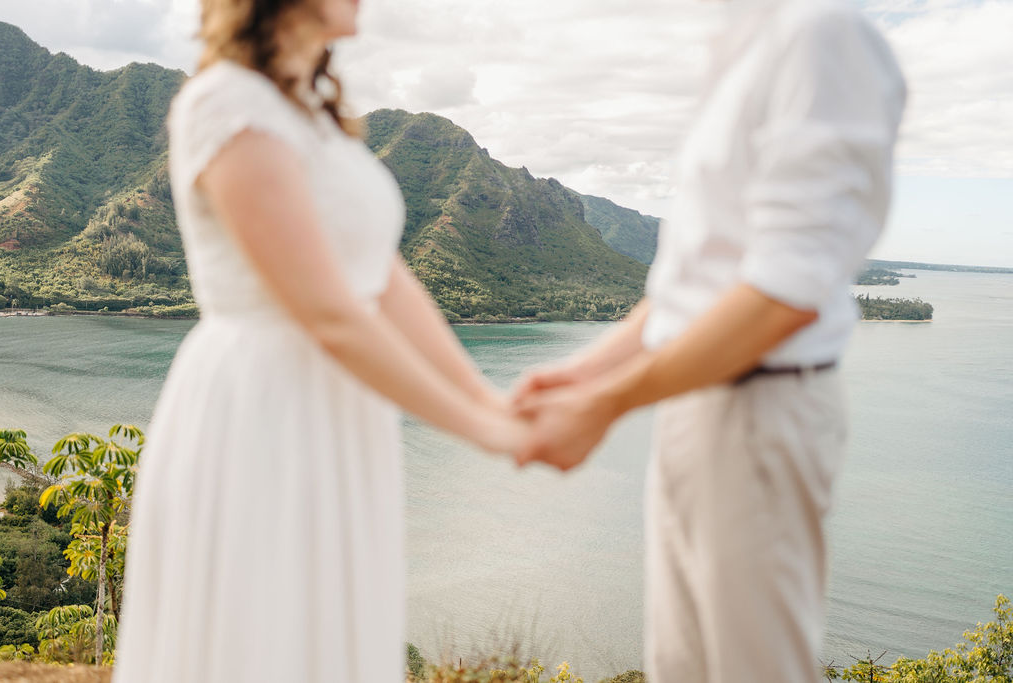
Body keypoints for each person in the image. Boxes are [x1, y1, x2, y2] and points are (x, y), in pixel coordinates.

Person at [112, 0, 526, 681]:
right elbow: (329, 313)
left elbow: (382, 277)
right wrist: (482, 429)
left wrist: (487, 394)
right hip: (262, 408)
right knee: (262, 631)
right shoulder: (226, 104)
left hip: (339, 411)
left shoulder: (313, 115)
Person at [513, 0, 906, 681]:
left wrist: (605, 404)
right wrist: (581, 373)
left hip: (758, 409)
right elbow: (691, 285)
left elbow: (784, 295)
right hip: (698, 403)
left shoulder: (820, 35)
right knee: (681, 667)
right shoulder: (741, 42)